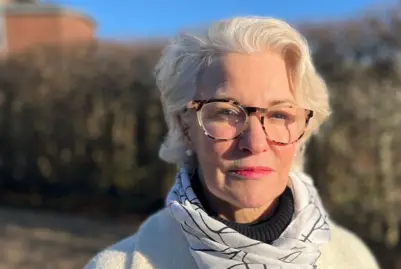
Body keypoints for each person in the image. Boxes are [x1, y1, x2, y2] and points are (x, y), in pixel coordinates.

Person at [84, 16, 380, 269]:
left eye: (279, 114)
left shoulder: (351, 258)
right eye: (226, 112)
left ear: (303, 129)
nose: (255, 142)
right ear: (185, 126)